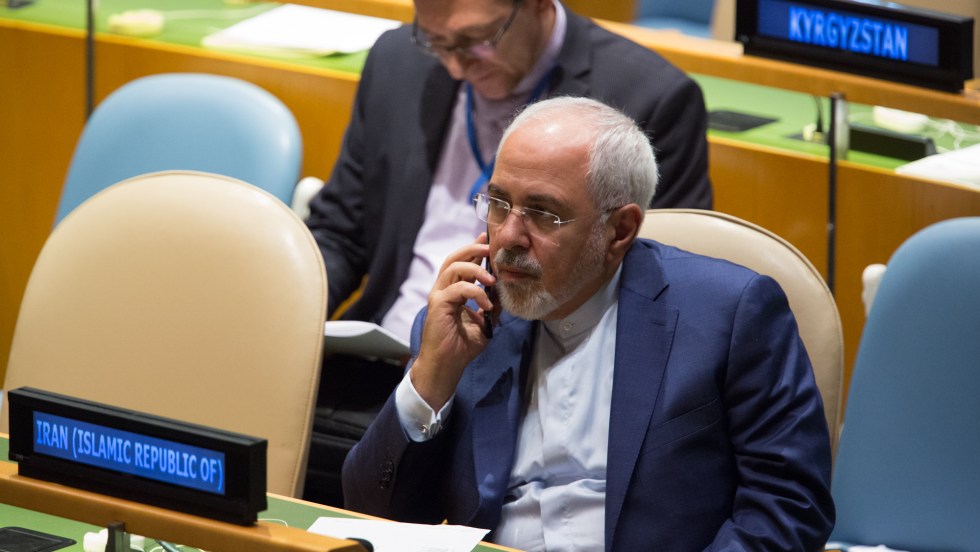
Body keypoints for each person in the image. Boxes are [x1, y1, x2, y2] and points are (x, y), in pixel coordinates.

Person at [342, 96, 835, 551]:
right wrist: (430, 380)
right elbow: (372, 513)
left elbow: (789, 507)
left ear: (620, 230)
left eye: (542, 214)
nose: (507, 236)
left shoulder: (729, 315)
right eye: (498, 203)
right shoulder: (462, 322)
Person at [304, 0, 712, 506]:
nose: (455, 65)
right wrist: (286, 320)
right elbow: (339, 229)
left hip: (517, 369)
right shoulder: (397, 61)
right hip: (380, 362)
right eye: (436, 42)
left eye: (476, 41)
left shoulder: (650, 96)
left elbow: (654, 281)